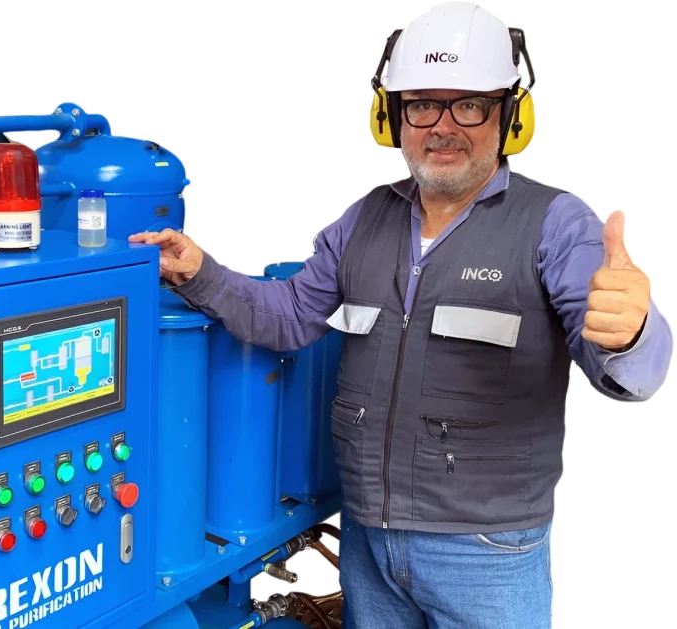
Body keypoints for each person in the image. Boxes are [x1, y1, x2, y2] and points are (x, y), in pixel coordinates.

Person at [130, 2, 673, 628]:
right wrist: (201, 272)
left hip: (485, 554)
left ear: (511, 115)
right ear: (389, 117)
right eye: (421, 105)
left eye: (469, 105)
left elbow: (631, 363)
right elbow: (288, 316)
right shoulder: (363, 218)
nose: (443, 127)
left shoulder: (556, 223)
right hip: (368, 538)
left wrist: (631, 334)